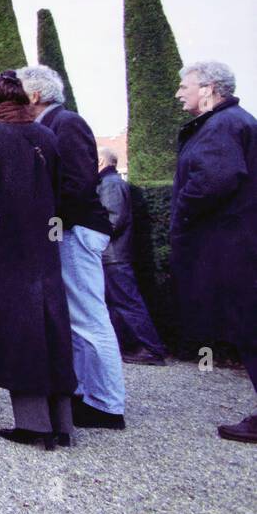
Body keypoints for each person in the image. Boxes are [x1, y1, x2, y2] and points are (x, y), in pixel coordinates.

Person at [0, 71, 75, 448]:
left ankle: (33, 424)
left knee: (18, 331)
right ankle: (62, 422)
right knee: (50, 327)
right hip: (42, 246)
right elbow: (59, 189)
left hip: (0, 249)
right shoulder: (45, 134)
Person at [20, 65, 126, 430]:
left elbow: (78, 182)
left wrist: (48, 218)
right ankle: (88, 395)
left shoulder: (67, 123)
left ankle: (107, 404)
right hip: (70, 229)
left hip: (77, 230)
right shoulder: (54, 124)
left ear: (34, 95)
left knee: (88, 317)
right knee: (79, 317)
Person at [172, 61, 257, 444]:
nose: (178, 92)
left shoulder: (222, 125)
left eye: (183, 85)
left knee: (248, 326)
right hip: (239, 239)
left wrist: (183, 212)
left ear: (208, 89)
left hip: (234, 244)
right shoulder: (235, 122)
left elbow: (214, 180)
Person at [96, 147, 168, 365]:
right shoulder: (112, 183)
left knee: (128, 303)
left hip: (113, 256)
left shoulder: (109, 185)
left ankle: (153, 350)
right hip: (114, 255)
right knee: (121, 303)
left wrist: (91, 236)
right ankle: (134, 347)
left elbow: (113, 220)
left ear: (100, 161)